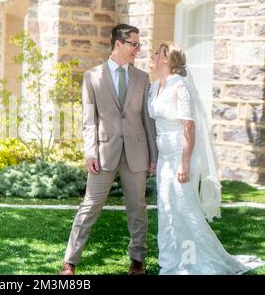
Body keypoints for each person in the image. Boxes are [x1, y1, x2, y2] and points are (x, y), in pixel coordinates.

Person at [148, 41, 265, 274]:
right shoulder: (155, 87)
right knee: (167, 208)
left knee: (184, 209)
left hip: (180, 157)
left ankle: (192, 261)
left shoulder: (179, 87)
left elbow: (189, 128)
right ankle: (170, 260)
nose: (152, 55)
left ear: (167, 59)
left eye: (156, 53)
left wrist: (183, 163)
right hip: (163, 158)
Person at [60, 24, 158, 275]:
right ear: (118, 44)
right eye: (134, 44)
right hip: (104, 153)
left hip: (137, 153)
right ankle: (70, 260)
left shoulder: (142, 77)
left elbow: (148, 119)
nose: (138, 49)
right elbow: (88, 119)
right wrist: (90, 152)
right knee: (90, 205)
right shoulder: (92, 77)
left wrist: (153, 157)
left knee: (137, 208)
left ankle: (137, 260)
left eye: (139, 44)